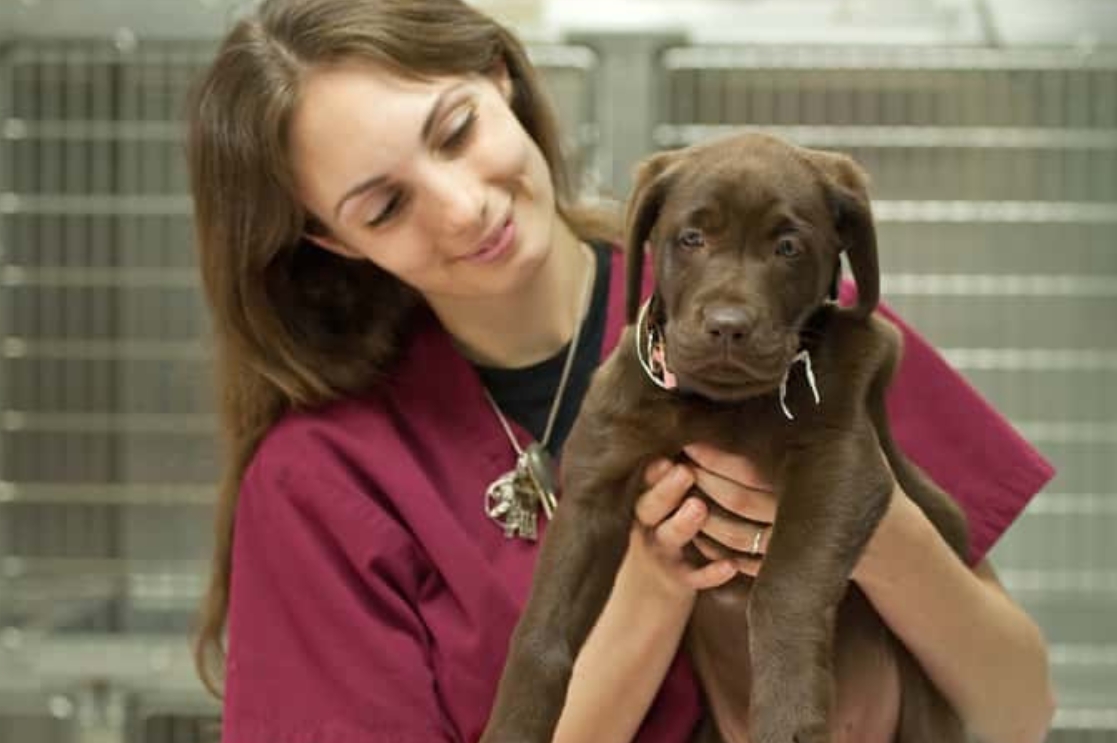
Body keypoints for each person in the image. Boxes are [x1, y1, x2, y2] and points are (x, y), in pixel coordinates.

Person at [186, 1, 1057, 741]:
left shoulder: (800, 333)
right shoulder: (320, 481)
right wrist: (652, 584)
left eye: (454, 131)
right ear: (331, 240)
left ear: (501, 80)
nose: (462, 208)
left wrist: (880, 538)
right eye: (384, 204)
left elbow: (1018, 708)